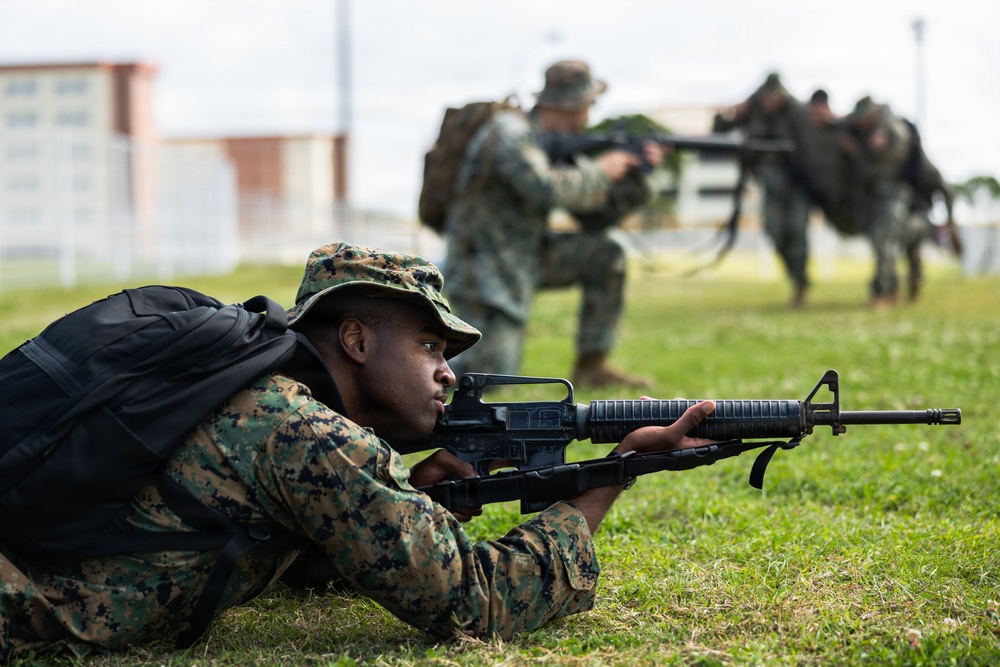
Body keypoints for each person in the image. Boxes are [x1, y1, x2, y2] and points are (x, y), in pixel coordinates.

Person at [0, 241, 717, 659]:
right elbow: (477, 602)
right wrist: (609, 478)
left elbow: (277, 551)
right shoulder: (311, 437)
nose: (447, 372)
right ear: (355, 339)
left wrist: (417, 503)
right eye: (430, 345)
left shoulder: (258, 391)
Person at [441, 60, 665, 389]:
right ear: (573, 106)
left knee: (605, 254)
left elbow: (596, 218)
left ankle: (592, 366)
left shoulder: (547, 142)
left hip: (528, 255)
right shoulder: (509, 132)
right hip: (487, 268)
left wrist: (635, 177)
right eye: (588, 107)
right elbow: (546, 189)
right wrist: (602, 171)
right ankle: (401, 381)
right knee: (489, 379)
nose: (588, 118)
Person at [713, 73, 815, 307]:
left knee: (798, 233)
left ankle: (800, 282)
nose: (770, 101)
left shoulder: (796, 113)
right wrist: (728, 114)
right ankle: (796, 276)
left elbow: (811, 149)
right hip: (769, 184)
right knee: (773, 231)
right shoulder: (754, 110)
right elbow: (720, 130)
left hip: (797, 185)